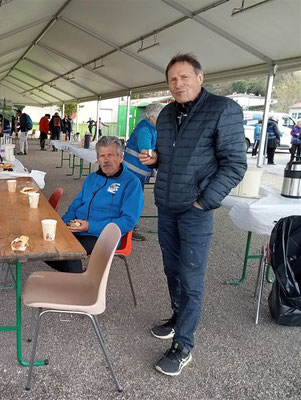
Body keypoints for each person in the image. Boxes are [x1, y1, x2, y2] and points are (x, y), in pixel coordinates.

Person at [139, 53, 246, 376]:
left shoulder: (223, 110)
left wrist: (205, 201)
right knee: (171, 269)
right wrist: (155, 159)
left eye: (185, 77)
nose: (178, 84)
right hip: (167, 206)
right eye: (173, 79)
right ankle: (177, 315)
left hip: (195, 211)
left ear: (200, 78)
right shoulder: (169, 113)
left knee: (191, 277)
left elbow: (235, 165)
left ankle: (183, 345)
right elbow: (171, 157)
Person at [46, 135, 144, 273]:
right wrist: (64, 224)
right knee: (45, 245)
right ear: (97, 158)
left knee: (70, 252)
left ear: (121, 157)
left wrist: (90, 226)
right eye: (102, 155)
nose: (105, 160)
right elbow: (76, 205)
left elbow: (128, 221)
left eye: (110, 155)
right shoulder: (92, 178)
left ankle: (80, 285)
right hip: (78, 228)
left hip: (104, 235)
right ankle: (79, 276)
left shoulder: (131, 183)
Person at [123, 102, 165, 241]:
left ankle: (128, 228)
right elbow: (146, 151)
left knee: (132, 199)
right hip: (134, 172)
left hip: (136, 171)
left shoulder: (150, 127)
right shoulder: (145, 130)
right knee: (133, 201)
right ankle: (128, 231)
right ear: (152, 116)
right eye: (160, 117)